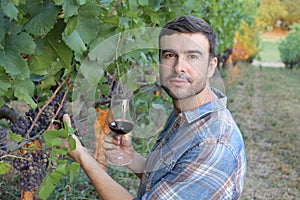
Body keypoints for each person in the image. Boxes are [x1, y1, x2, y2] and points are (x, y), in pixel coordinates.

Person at [63, 15, 246, 200]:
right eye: (170, 55)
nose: (178, 67)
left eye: (192, 56)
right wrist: (131, 158)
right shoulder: (187, 113)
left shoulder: (213, 144)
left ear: (211, 66)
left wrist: (81, 156)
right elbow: (171, 178)